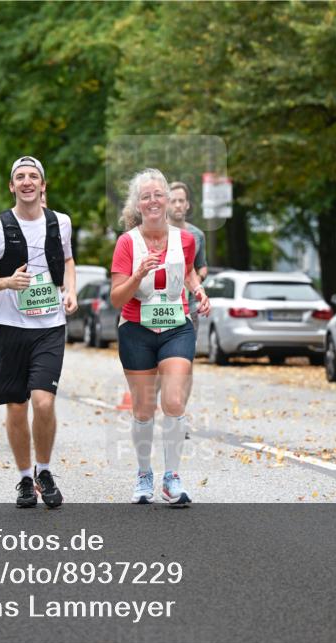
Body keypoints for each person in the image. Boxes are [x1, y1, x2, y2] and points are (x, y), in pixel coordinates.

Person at [0, 156, 78, 508]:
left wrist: (71, 290)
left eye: (34, 176)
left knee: (43, 402)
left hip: (50, 326)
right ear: (12, 185)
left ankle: (43, 471)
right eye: (20, 177)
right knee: (17, 407)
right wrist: (7, 282)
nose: (27, 181)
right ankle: (23, 479)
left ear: (43, 185)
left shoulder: (61, 222)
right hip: (10, 327)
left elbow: (67, 260)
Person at [110, 168, 211, 506]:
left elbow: (188, 271)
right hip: (136, 329)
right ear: (138, 204)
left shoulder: (186, 239)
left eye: (158, 195)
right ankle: (144, 474)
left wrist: (199, 291)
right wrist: (138, 272)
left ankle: (172, 478)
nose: (152, 201)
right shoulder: (127, 243)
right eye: (146, 196)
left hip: (176, 328)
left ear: (167, 200)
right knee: (143, 409)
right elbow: (116, 298)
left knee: (174, 400)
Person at [167, 181, 208, 330]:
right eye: (173, 201)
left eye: (181, 201)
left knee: (188, 346)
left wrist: (197, 282)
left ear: (187, 204)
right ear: (166, 204)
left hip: (189, 308)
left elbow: (202, 266)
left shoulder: (197, 235)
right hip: (161, 308)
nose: (177, 205)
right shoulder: (155, 232)